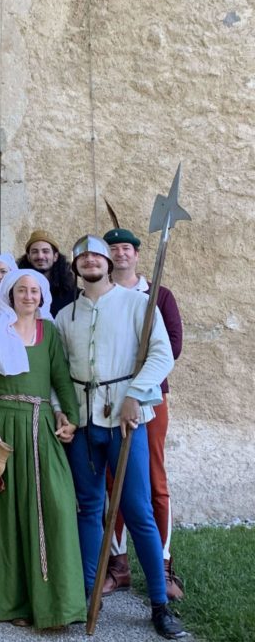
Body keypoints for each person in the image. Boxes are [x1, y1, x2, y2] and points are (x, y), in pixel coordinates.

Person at [56, 235, 186, 640]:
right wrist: (62, 410)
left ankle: (160, 605)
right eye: (84, 257)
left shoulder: (137, 305)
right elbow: (58, 371)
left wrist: (135, 395)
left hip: (125, 420)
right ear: (75, 266)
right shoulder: (65, 316)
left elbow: (162, 355)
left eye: (97, 255)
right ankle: (85, 596)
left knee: (137, 509)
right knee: (89, 507)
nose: (91, 261)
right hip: (82, 422)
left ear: (108, 262)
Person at [0, 269, 86, 628]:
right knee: (6, 514)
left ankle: (55, 603)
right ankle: (10, 603)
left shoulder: (50, 334)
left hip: (41, 424)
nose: (28, 296)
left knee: (55, 507)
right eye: (21, 290)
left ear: (42, 296)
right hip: (4, 425)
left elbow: (60, 379)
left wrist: (71, 418)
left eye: (34, 291)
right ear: (10, 296)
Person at [101, 226, 185, 599]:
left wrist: (137, 382)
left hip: (149, 398)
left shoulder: (158, 295)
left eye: (126, 248)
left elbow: (173, 347)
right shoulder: (100, 295)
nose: (120, 254)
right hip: (107, 400)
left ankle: (163, 567)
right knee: (112, 480)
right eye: (113, 249)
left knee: (153, 479)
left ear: (136, 254)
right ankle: (118, 566)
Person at [16, 229, 76, 316]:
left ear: (55, 256)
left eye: (45, 251)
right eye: (35, 252)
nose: (40, 256)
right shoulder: (17, 290)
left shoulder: (72, 294)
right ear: (28, 257)